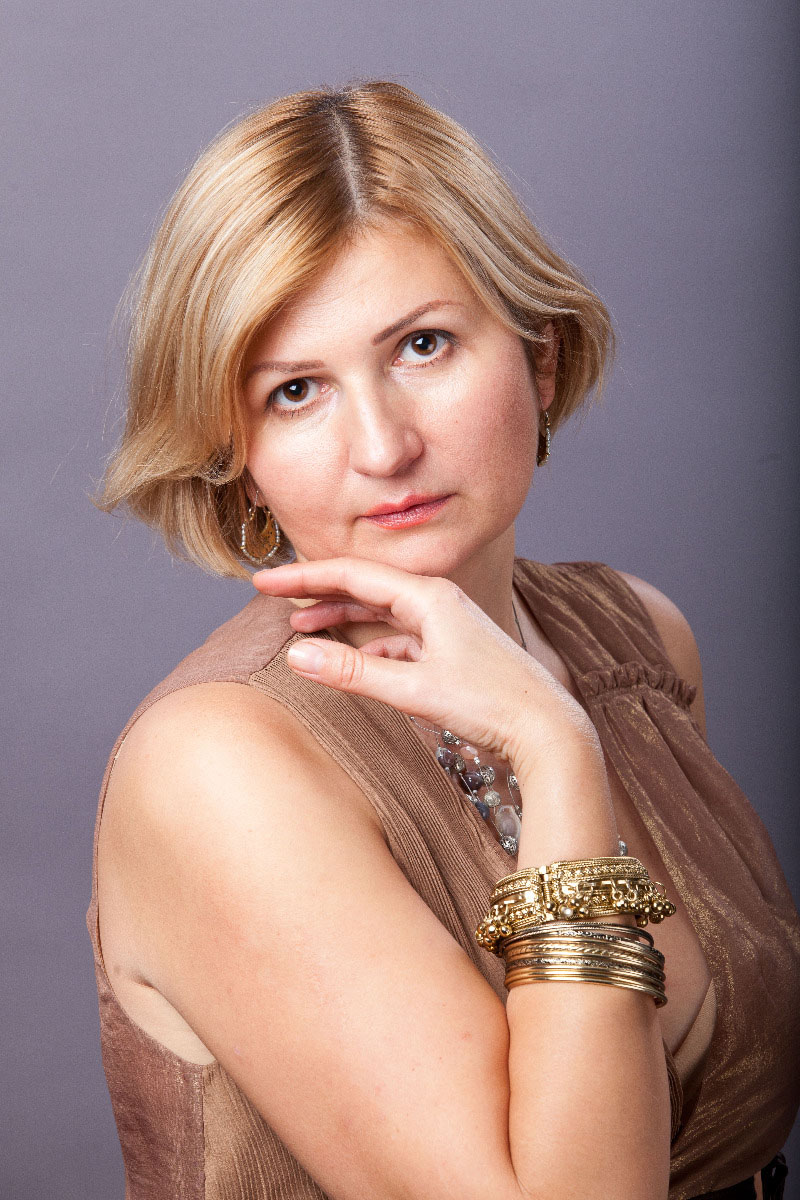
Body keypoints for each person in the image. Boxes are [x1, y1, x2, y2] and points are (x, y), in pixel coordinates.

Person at [87, 80, 799, 1200]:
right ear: (238, 458)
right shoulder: (217, 769)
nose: (382, 446)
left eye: (422, 345)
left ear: (539, 359)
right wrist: (551, 748)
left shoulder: (642, 641)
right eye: (296, 391)